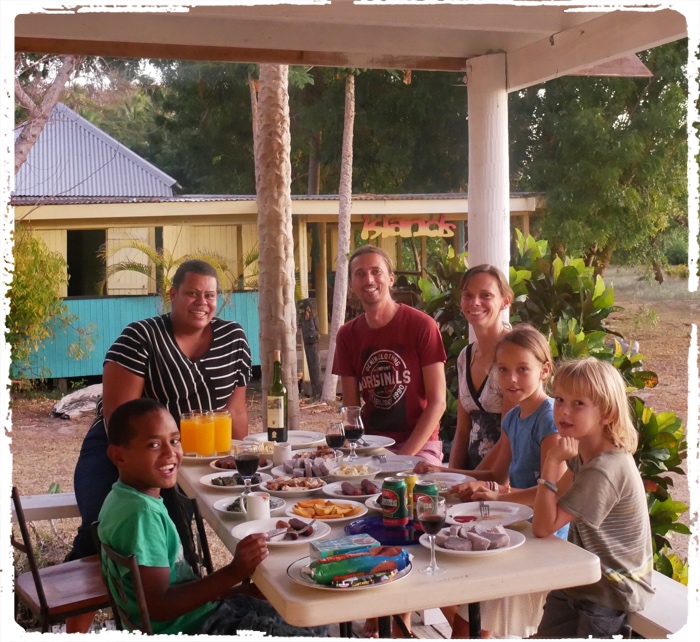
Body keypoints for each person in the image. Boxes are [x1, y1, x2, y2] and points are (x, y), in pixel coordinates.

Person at [69, 259, 251, 563]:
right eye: (193, 293)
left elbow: (237, 411)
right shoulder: (142, 336)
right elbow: (119, 417)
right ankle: (70, 608)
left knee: (175, 547)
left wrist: (237, 456)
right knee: (101, 537)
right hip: (122, 451)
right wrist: (149, 470)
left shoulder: (233, 338)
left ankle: (171, 601)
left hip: (190, 454)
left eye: (210, 295)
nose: (202, 303)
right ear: (173, 294)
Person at [98, 398, 327, 636]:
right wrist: (234, 572)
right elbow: (160, 606)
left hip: (192, 614)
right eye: (154, 445)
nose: (171, 452)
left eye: (175, 441)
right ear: (118, 456)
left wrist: (234, 590)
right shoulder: (142, 515)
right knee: (311, 628)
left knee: (306, 615)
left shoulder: (120, 498)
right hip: (192, 627)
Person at [416, 324, 568, 638]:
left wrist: (496, 496)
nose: (511, 379)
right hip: (516, 526)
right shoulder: (514, 417)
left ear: (544, 370)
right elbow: (495, 475)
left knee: (468, 620)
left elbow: (549, 492)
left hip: (545, 539)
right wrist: (441, 472)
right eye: (503, 369)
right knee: (447, 575)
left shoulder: (548, 418)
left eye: (522, 369)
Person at [532, 357, 654, 638]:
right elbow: (549, 497)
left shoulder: (605, 469)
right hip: (582, 578)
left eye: (578, 404)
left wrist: (551, 461)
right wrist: (498, 495)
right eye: (560, 399)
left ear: (607, 414)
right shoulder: (586, 454)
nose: (563, 411)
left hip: (612, 589)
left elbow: (543, 526)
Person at [332, 245, 447, 466]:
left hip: (420, 444)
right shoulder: (347, 335)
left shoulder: (422, 326)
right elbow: (351, 409)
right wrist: (353, 453)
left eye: (376, 271)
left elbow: (438, 402)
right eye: (360, 274)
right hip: (371, 444)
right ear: (351, 285)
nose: (369, 279)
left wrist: (403, 457)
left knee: (405, 490)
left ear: (391, 279)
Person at [448, 264, 515, 472]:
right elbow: (462, 431)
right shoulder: (465, 357)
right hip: (471, 477)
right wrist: (452, 479)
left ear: (505, 301)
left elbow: (510, 436)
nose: (475, 302)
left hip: (504, 479)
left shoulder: (515, 356)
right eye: (468, 295)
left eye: (485, 295)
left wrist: (471, 480)